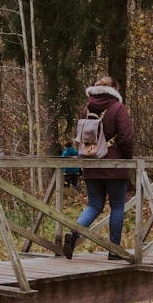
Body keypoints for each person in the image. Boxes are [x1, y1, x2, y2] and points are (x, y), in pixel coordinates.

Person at [63, 76, 134, 260]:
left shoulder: (86, 109)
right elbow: (126, 138)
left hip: (91, 162)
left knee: (94, 205)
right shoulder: (118, 108)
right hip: (113, 164)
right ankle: (114, 251)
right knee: (117, 206)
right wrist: (126, 159)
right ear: (114, 89)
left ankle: (74, 233)